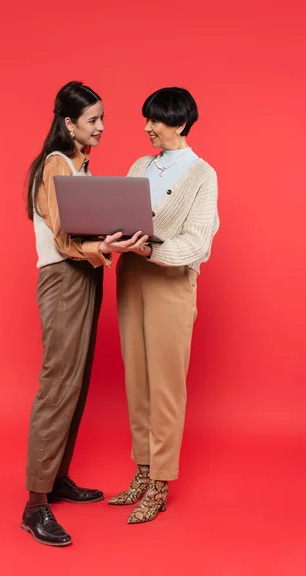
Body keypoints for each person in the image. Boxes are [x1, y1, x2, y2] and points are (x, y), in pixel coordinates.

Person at [22, 81, 148, 546]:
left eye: (101, 118)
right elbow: (62, 240)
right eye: (93, 120)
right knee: (58, 385)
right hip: (62, 281)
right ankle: (34, 505)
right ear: (69, 123)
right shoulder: (55, 165)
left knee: (76, 381)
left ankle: (56, 480)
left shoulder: (79, 168)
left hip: (85, 277)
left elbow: (84, 232)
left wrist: (113, 242)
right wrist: (102, 246)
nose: (102, 127)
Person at [108, 87, 219, 524]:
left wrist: (153, 249)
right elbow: (124, 214)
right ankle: (142, 470)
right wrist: (112, 236)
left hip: (171, 282)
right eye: (147, 118)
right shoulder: (140, 166)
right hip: (131, 276)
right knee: (136, 379)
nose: (146, 127)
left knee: (166, 385)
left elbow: (198, 242)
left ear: (179, 122)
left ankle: (160, 482)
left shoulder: (203, 174)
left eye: (154, 120)